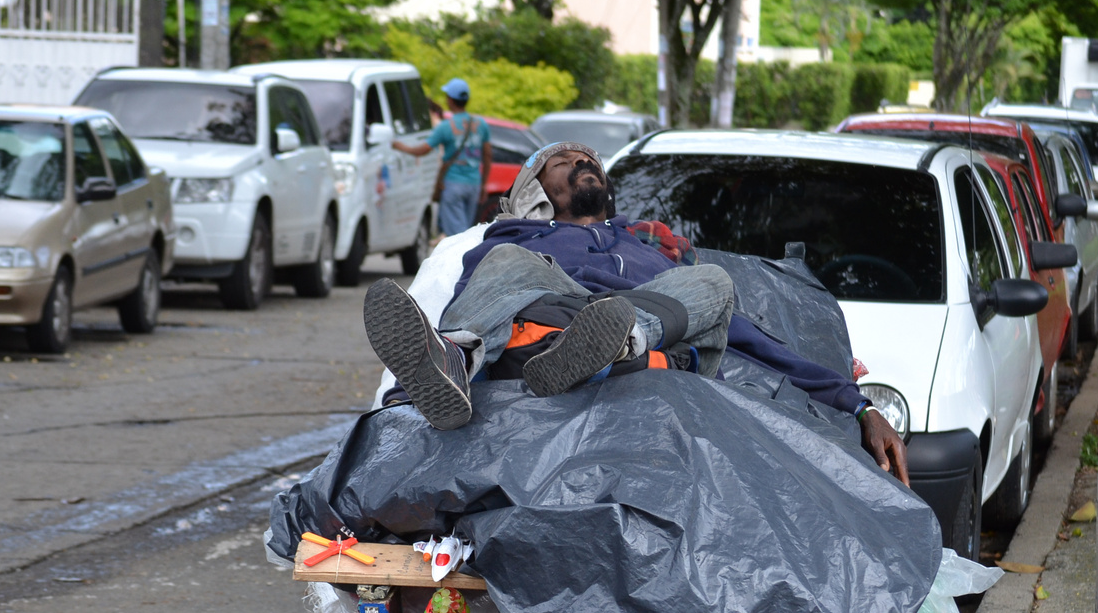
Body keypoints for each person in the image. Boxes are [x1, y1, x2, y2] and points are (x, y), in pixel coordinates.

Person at [362, 141, 911, 482]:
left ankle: (617, 343)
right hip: (542, 330)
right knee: (505, 263)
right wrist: (401, 406)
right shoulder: (513, 239)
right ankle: (453, 362)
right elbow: (477, 296)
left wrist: (858, 407)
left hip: (641, 338)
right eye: (562, 162)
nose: (580, 162)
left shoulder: (651, 252)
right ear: (535, 191)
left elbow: (755, 341)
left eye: (588, 160)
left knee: (713, 283)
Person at [393, 77, 490, 237]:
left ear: (450, 100)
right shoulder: (481, 124)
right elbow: (487, 155)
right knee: (467, 229)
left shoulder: (445, 127)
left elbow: (424, 150)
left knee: (458, 235)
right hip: (474, 183)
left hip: (453, 184)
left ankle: (462, 261)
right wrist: (484, 184)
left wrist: (400, 147)